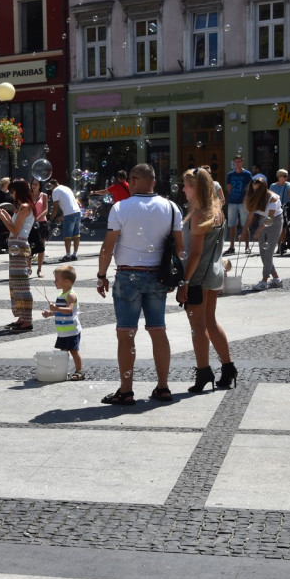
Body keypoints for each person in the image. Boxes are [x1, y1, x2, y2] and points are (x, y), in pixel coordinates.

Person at [96, 163, 183, 405]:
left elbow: (108, 246)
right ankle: (163, 387)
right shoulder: (172, 207)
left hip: (128, 276)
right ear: (153, 181)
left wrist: (102, 275)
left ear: (133, 180)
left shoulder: (120, 207)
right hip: (159, 276)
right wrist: (179, 280)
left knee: (126, 334)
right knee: (158, 330)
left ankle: (126, 391)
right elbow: (181, 249)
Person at [177, 168, 235, 392]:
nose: (183, 189)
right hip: (214, 274)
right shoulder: (217, 211)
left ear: (197, 188)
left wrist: (185, 281)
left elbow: (196, 253)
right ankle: (228, 369)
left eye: (186, 185)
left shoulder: (200, 213)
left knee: (198, 327)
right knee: (210, 321)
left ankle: (203, 373)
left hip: (198, 276)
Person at [0, 178, 35, 331]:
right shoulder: (22, 208)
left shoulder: (25, 207)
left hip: (19, 246)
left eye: (12, 191)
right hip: (15, 247)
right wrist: (5, 214)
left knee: (22, 285)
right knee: (15, 284)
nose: (11, 195)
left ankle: (27, 320)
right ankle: (21, 317)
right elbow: (14, 227)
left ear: (19, 191)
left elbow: (15, 230)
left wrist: (2, 217)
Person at [41, 265, 85, 381]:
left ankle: (79, 371)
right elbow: (60, 312)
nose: (54, 282)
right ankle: (63, 370)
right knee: (63, 353)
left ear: (66, 281)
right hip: (62, 331)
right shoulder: (60, 295)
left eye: (57, 280)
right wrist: (50, 313)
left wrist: (56, 309)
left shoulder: (71, 295)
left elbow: (69, 310)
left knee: (74, 351)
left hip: (72, 330)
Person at [242, 174, 283, 291]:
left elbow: (269, 219)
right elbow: (250, 217)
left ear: (264, 188)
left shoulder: (273, 198)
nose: (255, 191)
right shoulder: (254, 197)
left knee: (268, 253)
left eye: (257, 189)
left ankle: (264, 281)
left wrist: (258, 231)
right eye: (253, 189)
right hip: (264, 220)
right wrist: (244, 232)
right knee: (263, 252)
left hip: (275, 222)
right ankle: (276, 279)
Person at [225, 155, 253, 255]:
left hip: (243, 202)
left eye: (239, 161)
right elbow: (229, 188)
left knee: (245, 225)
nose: (237, 163)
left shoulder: (247, 174)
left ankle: (247, 247)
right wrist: (233, 196)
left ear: (242, 162)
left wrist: (247, 199)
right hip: (232, 202)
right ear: (233, 162)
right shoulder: (230, 174)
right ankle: (232, 247)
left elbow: (250, 188)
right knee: (232, 225)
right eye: (236, 161)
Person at [48, 180, 82, 261]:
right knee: (76, 235)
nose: (51, 189)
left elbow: (55, 207)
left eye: (50, 187)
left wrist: (50, 219)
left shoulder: (55, 191)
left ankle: (67, 255)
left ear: (53, 185)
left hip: (69, 215)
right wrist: (62, 216)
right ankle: (75, 254)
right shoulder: (67, 188)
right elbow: (70, 203)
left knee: (67, 236)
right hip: (77, 212)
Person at [270, 169, 290, 255]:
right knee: (275, 228)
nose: (285, 177)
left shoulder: (288, 185)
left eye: (286, 176)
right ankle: (278, 245)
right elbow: (270, 195)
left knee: (283, 228)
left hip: (284, 208)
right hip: (275, 209)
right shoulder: (273, 186)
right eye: (283, 176)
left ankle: (282, 245)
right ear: (278, 177)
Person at [30, 178, 50, 277]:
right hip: (30, 223)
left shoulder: (44, 195)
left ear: (40, 186)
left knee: (41, 247)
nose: (34, 186)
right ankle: (28, 268)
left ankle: (39, 269)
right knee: (29, 246)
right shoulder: (28, 195)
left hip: (41, 223)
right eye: (33, 184)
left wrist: (37, 218)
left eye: (36, 184)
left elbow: (46, 210)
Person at [0, 177, 14, 254]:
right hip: (2, 214)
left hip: (10, 213)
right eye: (8, 182)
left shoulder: (10, 193)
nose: (10, 183)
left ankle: (10, 243)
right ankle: (2, 243)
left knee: (10, 228)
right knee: (2, 228)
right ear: (4, 184)